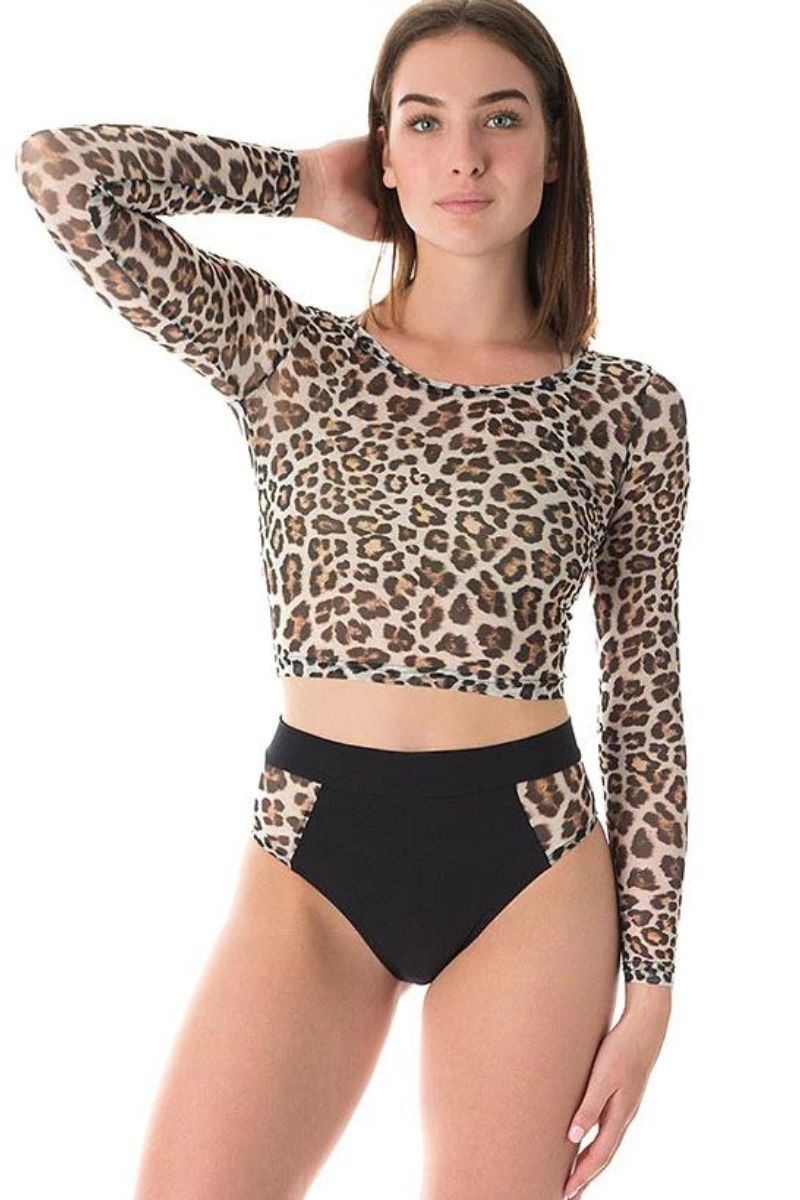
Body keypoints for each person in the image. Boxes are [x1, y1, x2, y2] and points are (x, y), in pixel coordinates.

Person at [15, 2, 691, 1197]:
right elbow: (62, 173)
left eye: (500, 120)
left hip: (530, 861)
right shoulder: (286, 355)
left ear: (553, 152)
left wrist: (649, 998)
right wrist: (297, 184)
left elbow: (643, 702)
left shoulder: (627, 409)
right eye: (422, 123)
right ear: (384, 153)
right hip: (311, 845)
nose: (462, 157)